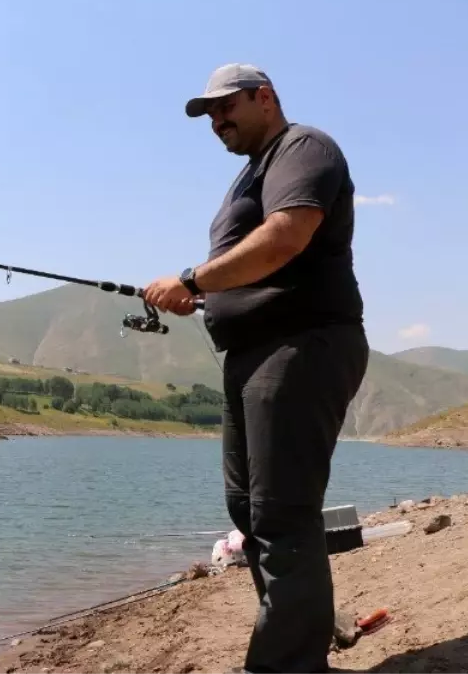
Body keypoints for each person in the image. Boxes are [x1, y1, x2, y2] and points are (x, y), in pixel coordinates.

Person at [141, 63, 369, 674]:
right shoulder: (249, 175)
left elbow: (286, 237)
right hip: (250, 357)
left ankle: (285, 664)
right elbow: (252, 262)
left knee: (282, 511)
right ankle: (304, 637)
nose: (217, 122)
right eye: (208, 115)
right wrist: (205, 294)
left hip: (301, 347)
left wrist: (191, 278)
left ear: (264, 97)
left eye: (225, 108)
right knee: (248, 510)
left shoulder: (303, 148)